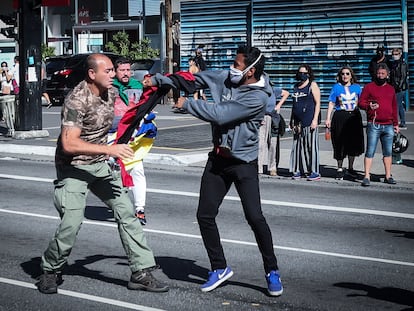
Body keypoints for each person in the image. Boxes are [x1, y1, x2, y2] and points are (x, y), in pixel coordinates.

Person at [36, 53, 168, 294]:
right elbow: (69, 144)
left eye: (112, 70)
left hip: (99, 164)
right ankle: (50, 270)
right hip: (74, 167)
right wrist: (110, 149)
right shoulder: (77, 100)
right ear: (91, 74)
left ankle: (141, 271)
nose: (112, 74)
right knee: (72, 222)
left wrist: (159, 88)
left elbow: (132, 108)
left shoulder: (111, 92)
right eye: (107, 70)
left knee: (127, 213)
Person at [173, 45, 283, 296]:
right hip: (218, 159)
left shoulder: (258, 97)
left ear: (251, 71)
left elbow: (221, 114)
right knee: (205, 215)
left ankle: (272, 270)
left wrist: (187, 104)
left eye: (238, 64)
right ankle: (219, 267)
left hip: (243, 163)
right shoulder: (227, 76)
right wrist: (159, 80)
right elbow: (195, 78)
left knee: (255, 218)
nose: (232, 67)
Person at [109, 56, 151, 225]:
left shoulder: (137, 86)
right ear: (115, 71)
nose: (126, 74)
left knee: (137, 170)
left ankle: (139, 209)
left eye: (128, 70)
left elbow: (145, 105)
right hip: (112, 137)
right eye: (122, 70)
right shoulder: (109, 88)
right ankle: (120, 204)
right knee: (115, 173)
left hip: (133, 136)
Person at [359, 63, 399, 187]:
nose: (380, 75)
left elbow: (394, 107)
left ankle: (388, 175)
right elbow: (360, 102)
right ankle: (366, 176)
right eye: (378, 73)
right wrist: (368, 106)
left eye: (383, 73)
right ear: (375, 74)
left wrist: (396, 124)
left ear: (387, 74)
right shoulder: (369, 87)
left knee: (388, 152)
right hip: (374, 125)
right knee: (370, 151)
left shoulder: (391, 89)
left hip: (388, 125)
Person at [325, 66, 364, 180]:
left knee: (353, 142)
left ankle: (351, 168)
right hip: (340, 116)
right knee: (339, 141)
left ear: (351, 75)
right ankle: (340, 168)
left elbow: (362, 102)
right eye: (343, 74)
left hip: (354, 117)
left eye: (347, 73)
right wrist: (328, 118)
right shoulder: (336, 87)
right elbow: (332, 103)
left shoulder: (357, 88)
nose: (345, 76)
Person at [289, 64, 321, 181]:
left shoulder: (312, 85)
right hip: (298, 122)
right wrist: (292, 120)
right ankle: (298, 170)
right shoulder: (296, 86)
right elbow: (294, 104)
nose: (302, 75)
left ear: (308, 74)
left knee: (311, 147)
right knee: (298, 147)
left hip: (309, 120)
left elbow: (318, 103)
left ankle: (314, 171)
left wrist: (315, 120)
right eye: (300, 72)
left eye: (304, 73)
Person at [258, 85, 289, 175]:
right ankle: (258, 167)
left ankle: (272, 168)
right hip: (262, 118)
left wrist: (278, 105)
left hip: (273, 118)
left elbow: (286, 93)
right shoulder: (258, 91)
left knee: (273, 144)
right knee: (260, 144)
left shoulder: (273, 90)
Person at [389, 48, 408, 129]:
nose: (394, 56)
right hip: (395, 87)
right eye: (393, 54)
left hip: (400, 88)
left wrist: (398, 87)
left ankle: (394, 122)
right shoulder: (394, 64)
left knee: (395, 105)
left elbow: (403, 77)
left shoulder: (402, 64)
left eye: (396, 54)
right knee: (399, 105)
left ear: (400, 55)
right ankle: (402, 122)